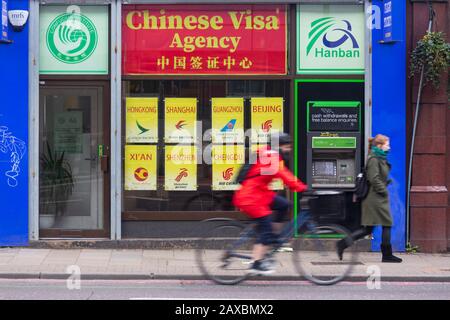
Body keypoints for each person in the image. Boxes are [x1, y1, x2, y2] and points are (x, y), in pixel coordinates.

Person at [232, 133, 308, 275]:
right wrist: (303, 188)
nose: (289, 150)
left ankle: (273, 237)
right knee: (265, 227)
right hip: (251, 198)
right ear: (278, 146)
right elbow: (285, 175)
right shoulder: (271, 157)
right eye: (287, 147)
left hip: (259, 193)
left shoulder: (266, 153)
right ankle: (256, 264)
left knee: (284, 205)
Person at [337, 134, 402, 263]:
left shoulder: (379, 158)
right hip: (375, 199)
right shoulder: (374, 159)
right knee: (386, 223)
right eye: (387, 144)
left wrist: (386, 182)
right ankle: (387, 255)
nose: (389, 147)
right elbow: (373, 178)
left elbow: (378, 176)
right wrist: (383, 190)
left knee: (368, 228)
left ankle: (343, 244)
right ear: (379, 145)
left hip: (377, 198)